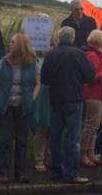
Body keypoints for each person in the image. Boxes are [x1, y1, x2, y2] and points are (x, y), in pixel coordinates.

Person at [41, 26, 95, 184]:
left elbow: (44, 79)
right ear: (72, 38)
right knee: (72, 138)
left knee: (56, 137)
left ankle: (56, 171)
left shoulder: (51, 55)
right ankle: (71, 173)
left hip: (56, 99)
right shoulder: (79, 54)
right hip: (74, 99)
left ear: (59, 38)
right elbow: (90, 76)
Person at [0, 33, 40, 183]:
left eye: (13, 42)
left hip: (24, 107)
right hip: (6, 107)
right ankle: (4, 172)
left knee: (21, 140)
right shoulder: (4, 61)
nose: (10, 44)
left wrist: (32, 98)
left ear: (20, 45)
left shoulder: (32, 62)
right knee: (6, 141)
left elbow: (38, 82)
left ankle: (20, 172)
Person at [80, 30, 102, 167]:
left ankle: (91, 153)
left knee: (95, 125)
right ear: (101, 41)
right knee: (90, 125)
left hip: (98, 93)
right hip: (93, 93)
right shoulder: (93, 55)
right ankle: (83, 154)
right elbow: (91, 76)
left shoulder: (94, 54)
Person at [33, 45, 53, 172]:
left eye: (51, 45)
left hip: (53, 96)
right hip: (39, 98)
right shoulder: (33, 61)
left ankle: (49, 155)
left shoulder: (55, 59)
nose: (48, 47)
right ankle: (39, 158)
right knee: (40, 129)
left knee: (52, 128)